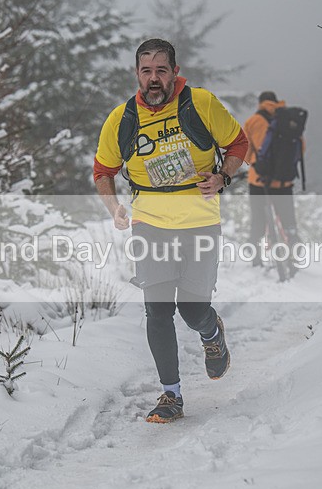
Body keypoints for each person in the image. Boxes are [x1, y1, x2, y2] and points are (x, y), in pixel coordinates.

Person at [93, 39, 249, 423]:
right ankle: (171, 395)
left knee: (192, 308)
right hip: (150, 222)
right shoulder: (122, 118)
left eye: (161, 70)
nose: (154, 78)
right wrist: (114, 208)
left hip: (199, 220)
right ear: (137, 74)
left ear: (174, 72)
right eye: (146, 71)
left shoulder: (201, 103)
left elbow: (238, 143)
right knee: (158, 310)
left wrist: (223, 176)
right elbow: (103, 172)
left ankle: (212, 334)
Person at [243, 91, 303, 269]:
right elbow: (300, 149)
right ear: (276, 102)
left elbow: (246, 154)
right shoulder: (289, 121)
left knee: (258, 220)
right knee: (287, 219)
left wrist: (255, 162)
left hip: (259, 182)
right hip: (284, 182)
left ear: (260, 103)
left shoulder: (252, 121)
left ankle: (256, 259)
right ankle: (292, 253)